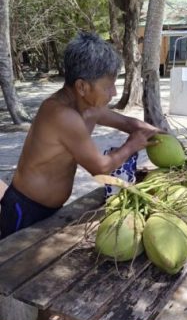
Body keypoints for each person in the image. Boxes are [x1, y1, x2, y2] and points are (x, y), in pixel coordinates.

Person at [0, 32, 161, 239]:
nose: (113, 92)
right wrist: (132, 145)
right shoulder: (61, 114)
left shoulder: (88, 106)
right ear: (82, 87)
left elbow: (128, 123)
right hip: (26, 208)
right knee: (15, 266)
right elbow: (100, 167)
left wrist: (157, 133)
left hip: (50, 208)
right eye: (107, 86)